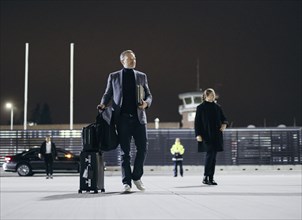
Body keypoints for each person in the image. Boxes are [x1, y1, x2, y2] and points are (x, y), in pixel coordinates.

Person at [97, 50, 152, 192]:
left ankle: (136, 176)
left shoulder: (142, 76)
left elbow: (149, 95)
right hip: (122, 120)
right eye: (130, 59)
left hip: (139, 119)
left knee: (143, 149)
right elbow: (108, 93)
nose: (134, 60)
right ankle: (126, 182)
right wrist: (103, 104)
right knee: (125, 153)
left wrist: (146, 103)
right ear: (122, 61)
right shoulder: (114, 76)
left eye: (134, 58)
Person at [194, 88, 228, 185]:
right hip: (206, 135)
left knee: (213, 157)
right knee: (209, 156)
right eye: (211, 95)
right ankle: (206, 177)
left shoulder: (217, 107)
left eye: (213, 95)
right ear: (206, 96)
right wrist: (198, 134)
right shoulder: (200, 108)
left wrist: (224, 124)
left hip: (216, 135)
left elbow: (224, 119)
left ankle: (211, 177)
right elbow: (197, 123)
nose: (213, 96)